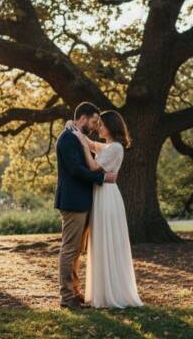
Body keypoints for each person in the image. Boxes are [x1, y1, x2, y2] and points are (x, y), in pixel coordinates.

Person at [69, 110, 144, 309]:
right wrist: (76, 129)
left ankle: (112, 293)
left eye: (101, 124)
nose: (97, 127)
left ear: (111, 127)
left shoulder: (115, 148)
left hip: (107, 197)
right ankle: (102, 291)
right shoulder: (110, 146)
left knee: (107, 240)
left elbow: (94, 166)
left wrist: (83, 144)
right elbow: (92, 144)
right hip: (103, 194)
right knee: (102, 241)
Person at [54, 102, 117, 309]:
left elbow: (89, 148)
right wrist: (102, 177)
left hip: (83, 200)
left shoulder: (76, 137)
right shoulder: (67, 139)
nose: (94, 125)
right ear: (82, 118)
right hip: (73, 202)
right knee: (70, 249)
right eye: (93, 121)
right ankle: (67, 297)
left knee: (78, 249)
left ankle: (75, 292)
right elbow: (75, 170)